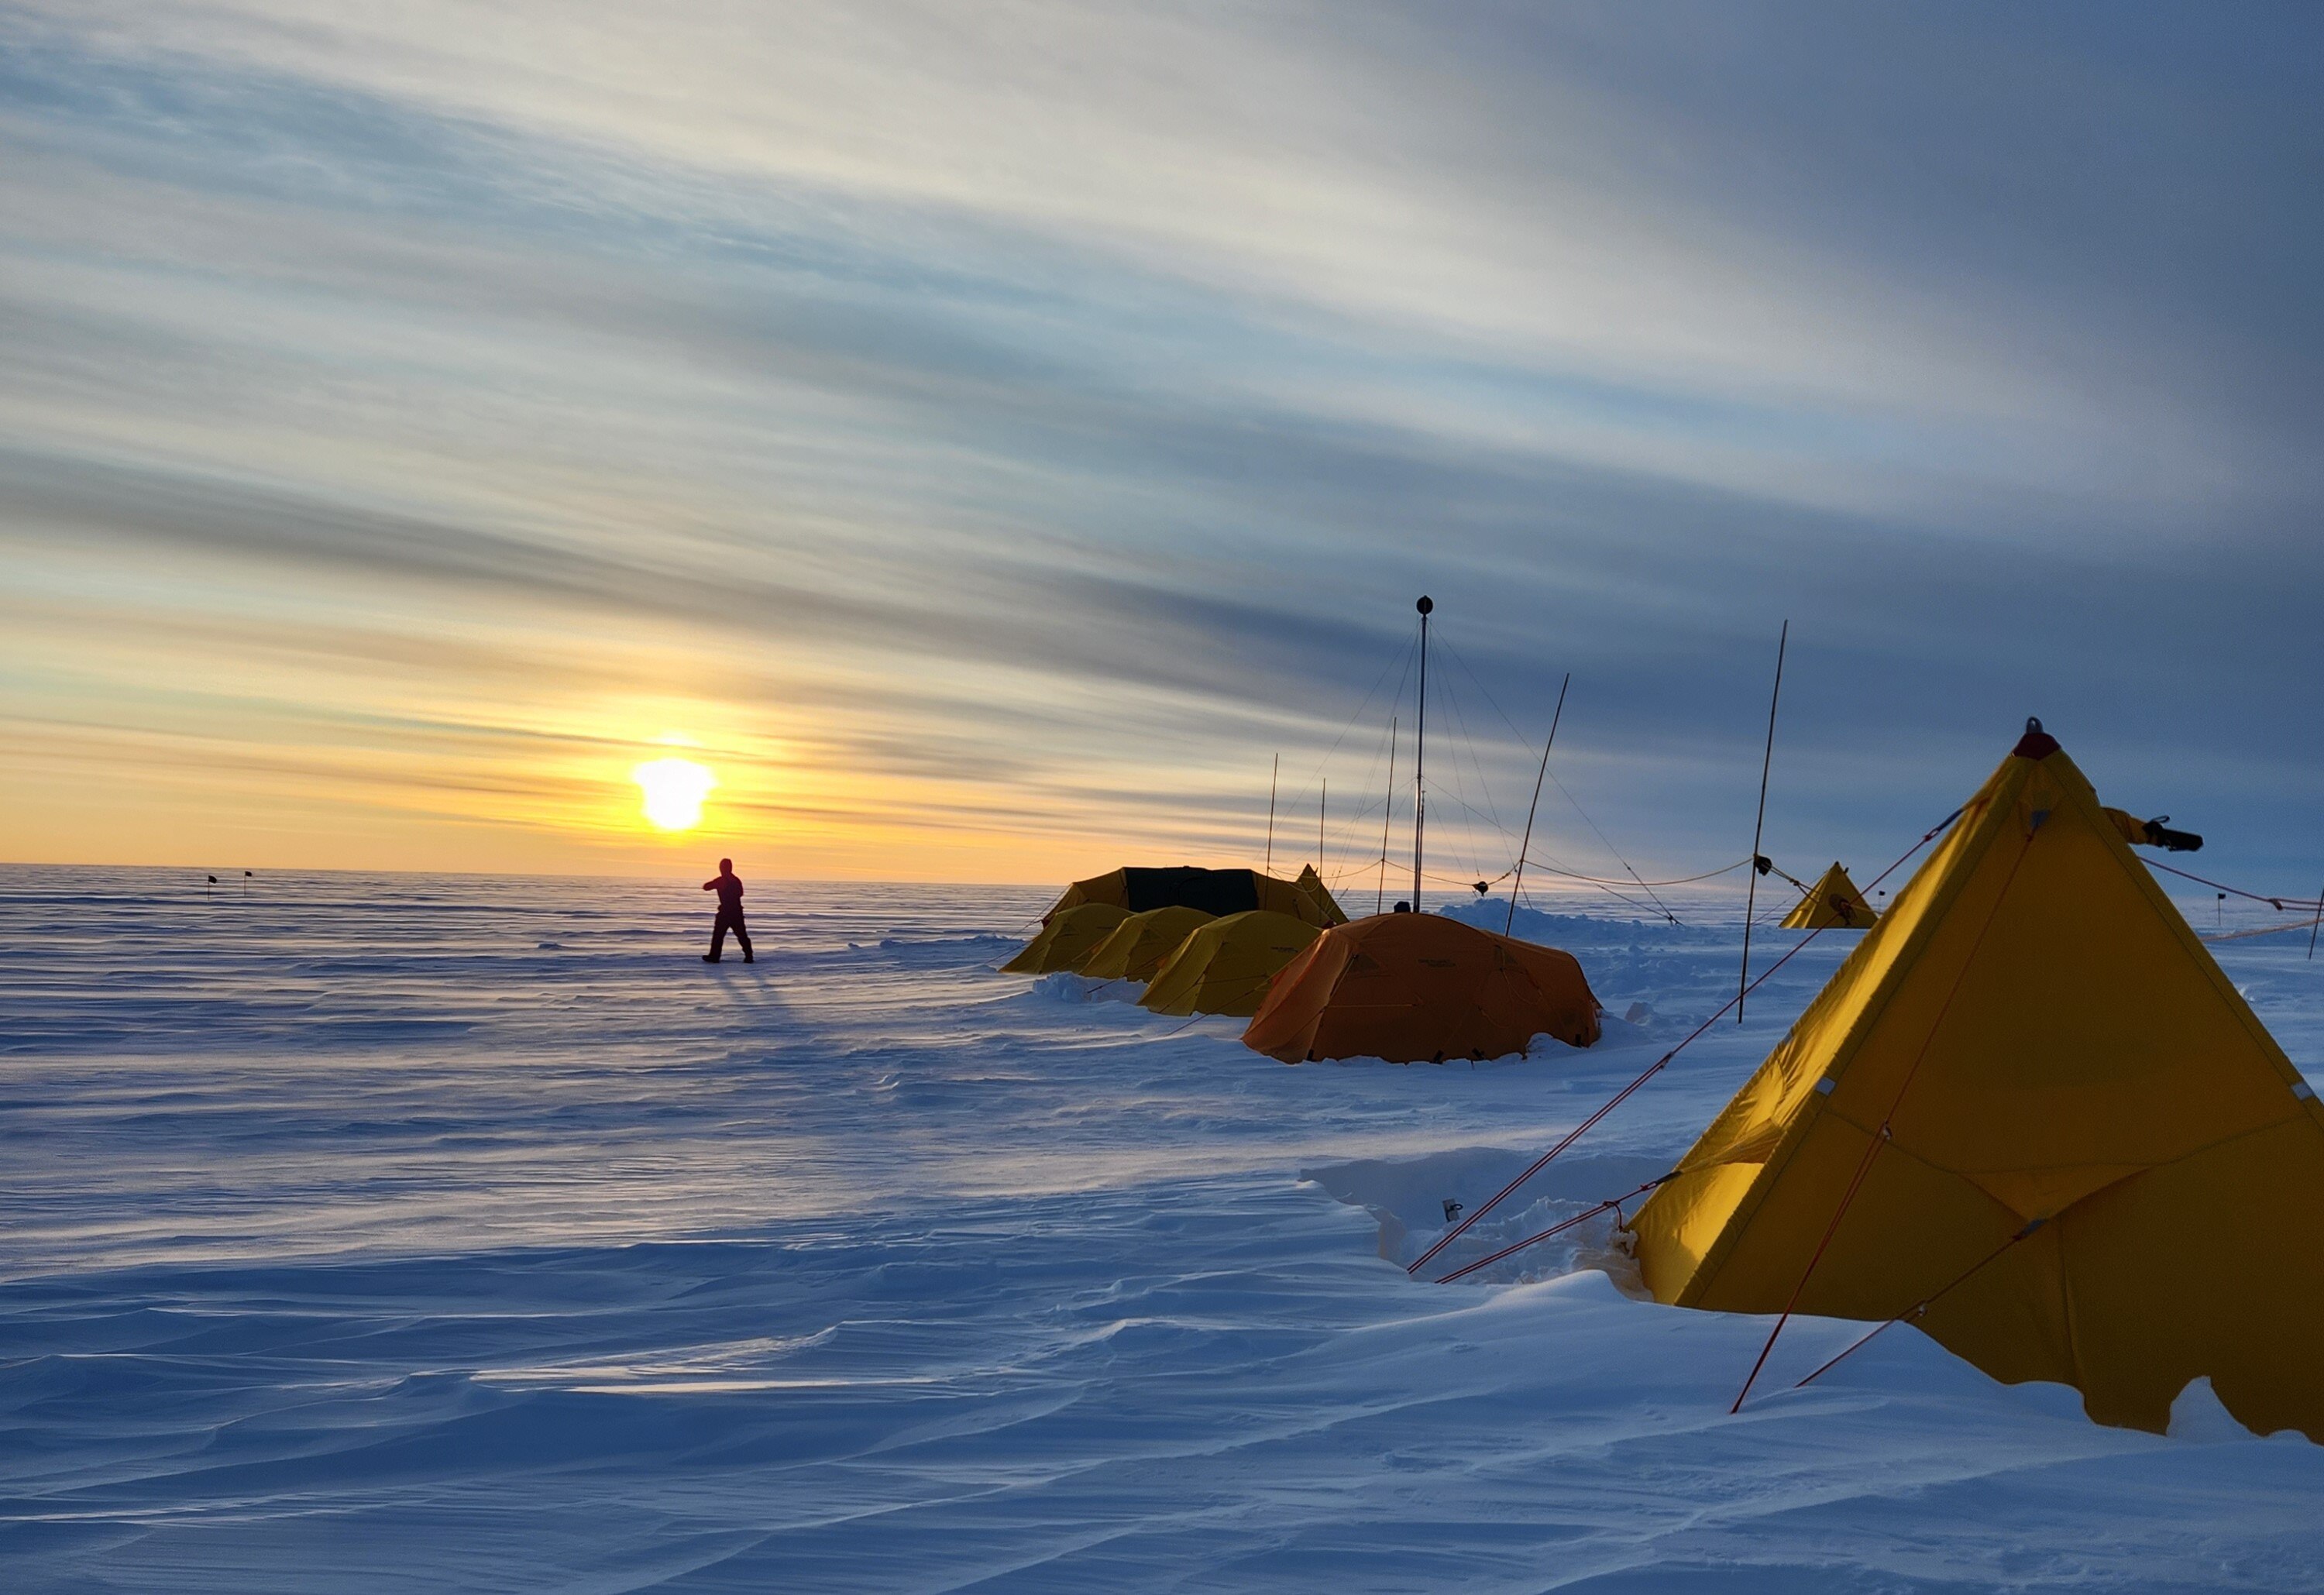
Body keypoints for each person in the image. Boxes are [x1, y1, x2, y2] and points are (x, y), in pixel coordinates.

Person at [702, 858, 753, 963]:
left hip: (726, 912)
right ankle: (749, 956)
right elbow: (741, 893)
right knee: (742, 935)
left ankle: (714, 956)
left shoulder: (721, 880)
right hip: (736, 912)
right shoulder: (736, 880)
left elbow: (706, 887)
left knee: (718, 936)